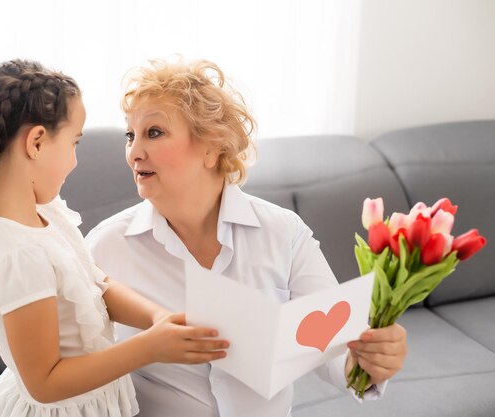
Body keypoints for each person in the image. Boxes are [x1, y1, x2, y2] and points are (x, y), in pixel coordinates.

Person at [85, 58, 408, 417]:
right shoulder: (104, 247)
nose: (134, 152)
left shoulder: (284, 233)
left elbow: (335, 353)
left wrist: (371, 362)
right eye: (130, 135)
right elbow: (74, 369)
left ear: (211, 147)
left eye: (154, 132)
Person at [0, 59, 229, 417]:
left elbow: (96, 283)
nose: (75, 161)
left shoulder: (46, 214)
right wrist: (149, 348)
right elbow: (45, 383)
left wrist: (158, 317)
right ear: (36, 142)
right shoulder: (20, 255)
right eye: (74, 142)